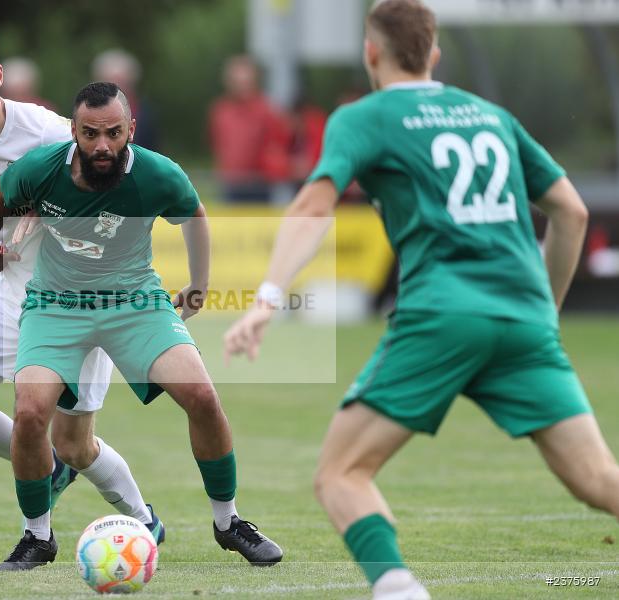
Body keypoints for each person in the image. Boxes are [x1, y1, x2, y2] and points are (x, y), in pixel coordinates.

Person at [224, 1, 619, 599]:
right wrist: (545, 311)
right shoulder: (490, 115)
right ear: (433, 54)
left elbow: (312, 205)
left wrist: (267, 299)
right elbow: (572, 211)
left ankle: (400, 590)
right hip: (523, 317)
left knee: (341, 474)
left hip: (443, 314)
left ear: (370, 52)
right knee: (597, 479)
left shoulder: (366, 116)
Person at [0, 81, 284, 570]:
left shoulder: (158, 174)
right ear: (74, 131)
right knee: (30, 414)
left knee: (202, 397)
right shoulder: (40, 169)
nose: (102, 145)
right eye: (91, 133)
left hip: (134, 302)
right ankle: (37, 536)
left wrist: (199, 285)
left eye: (114, 133)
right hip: (55, 305)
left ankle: (229, 523)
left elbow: (194, 215)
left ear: (131, 130)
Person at [0, 27, 162, 570]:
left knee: (78, 444)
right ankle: (45, 477)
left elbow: (114, 177)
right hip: (13, 293)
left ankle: (142, 520)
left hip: (76, 299)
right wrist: (1, 240)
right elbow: (0, 209)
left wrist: (52, 214)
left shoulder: (48, 131)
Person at [208, 55, 288, 203]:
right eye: (237, 81)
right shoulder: (221, 111)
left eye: (246, 81)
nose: (242, 87)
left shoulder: (266, 110)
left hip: (259, 183)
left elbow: (278, 144)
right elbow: (217, 144)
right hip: (230, 182)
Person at [92, 49, 159, 150]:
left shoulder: (145, 116)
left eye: (120, 80)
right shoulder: (84, 110)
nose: (115, 86)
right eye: (109, 81)